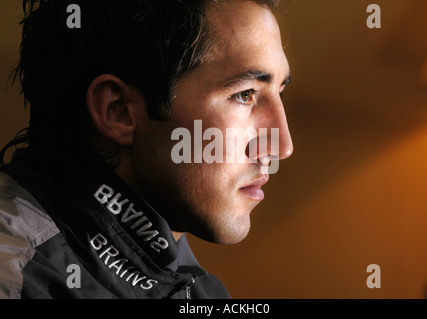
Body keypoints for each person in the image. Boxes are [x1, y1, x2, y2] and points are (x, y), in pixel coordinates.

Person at [0, 0, 293, 299]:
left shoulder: (205, 293)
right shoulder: (14, 276)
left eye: (280, 92)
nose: (283, 146)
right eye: (245, 94)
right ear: (118, 112)